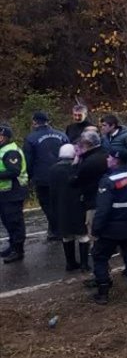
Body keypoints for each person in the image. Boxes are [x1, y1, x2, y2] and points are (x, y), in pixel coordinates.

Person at [91, 148, 127, 306]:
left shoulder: (109, 180)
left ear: (116, 160)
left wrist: (96, 229)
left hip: (112, 228)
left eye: (109, 157)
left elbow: (103, 210)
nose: (107, 160)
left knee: (100, 256)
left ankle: (103, 293)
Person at [23, 111, 69, 241]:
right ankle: (58, 227)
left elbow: (28, 160)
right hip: (62, 175)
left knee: (46, 203)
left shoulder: (31, 138)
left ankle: (57, 229)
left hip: (43, 177)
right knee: (60, 202)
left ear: (34, 122)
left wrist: (29, 177)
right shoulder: (62, 135)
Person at [71, 132, 109, 271]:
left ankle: (101, 276)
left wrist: (75, 164)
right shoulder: (106, 154)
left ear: (86, 145)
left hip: (93, 202)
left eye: (80, 146)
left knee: (95, 238)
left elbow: (74, 181)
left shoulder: (88, 162)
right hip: (107, 200)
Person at [49, 144, 82, 271]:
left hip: (61, 206)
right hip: (77, 204)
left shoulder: (53, 169)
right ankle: (84, 263)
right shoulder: (75, 167)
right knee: (82, 235)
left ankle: (70, 262)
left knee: (66, 235)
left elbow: (52, 191)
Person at [0, 125, 29, 263]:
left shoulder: (11, 151)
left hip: (14, 192)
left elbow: (14, 171)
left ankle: (18, 250)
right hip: (4, 193)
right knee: (7, 220)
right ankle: (12, 245)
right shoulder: (3, 149)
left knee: (15, 221)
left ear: (5, 137)